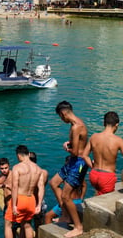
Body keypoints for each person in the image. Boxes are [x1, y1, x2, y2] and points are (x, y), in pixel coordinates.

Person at [49, 101, 88, 238]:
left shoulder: (77, 127)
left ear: (63, 113)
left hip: (78, 163)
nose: (61, 120)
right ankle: (65, 215)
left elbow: (76, 152)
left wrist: (67, 148)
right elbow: (78, 144)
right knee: (53, 182)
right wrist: (69, 143)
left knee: (66, 195)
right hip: (73, 161)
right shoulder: (75, 123)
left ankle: (78, 227)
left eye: (60, 117)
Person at [83, 111, 123, 196]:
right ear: (117, 125)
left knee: (98, 195)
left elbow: (84, 155)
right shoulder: (118, 141)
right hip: (107, 177)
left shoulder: (94, 137)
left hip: (94, 175)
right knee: (105, 200)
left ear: (104, 123)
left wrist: (93, 166)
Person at [4, 145, 44, 238]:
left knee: (8, 225)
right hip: (31, 200)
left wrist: (14, 205)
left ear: (18, 155)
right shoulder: (38, 169)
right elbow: (41, 187)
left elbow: (14, 187)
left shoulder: (17, 167)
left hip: (20, 199)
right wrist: (39, 205)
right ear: (28, 154)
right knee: (27, 225)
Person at [29, 152, 48, 238]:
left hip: (30, 201)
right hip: (40, 202)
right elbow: (43, 186)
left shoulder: (26, 174)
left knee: (26, 226)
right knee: (39, 227)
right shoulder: (44, 172)